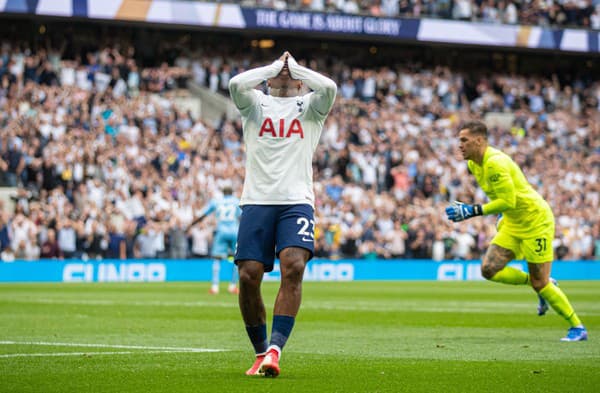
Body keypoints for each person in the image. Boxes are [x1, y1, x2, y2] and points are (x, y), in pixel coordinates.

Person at [229, 51, 336, 377]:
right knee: (248, 276)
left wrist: (297, 68)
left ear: (302, 79)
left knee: (294, 265)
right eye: (280, 69)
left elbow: (329, 87)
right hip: (257, 201)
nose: (284, 73)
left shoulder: (311, 108)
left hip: (296, 201)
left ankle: (275, 351)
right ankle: (260, 352)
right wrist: (274, 67)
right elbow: (235, 83)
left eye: (290, 71)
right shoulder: (255, 104)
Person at [445, 121, 587, 342]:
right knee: (489, 269)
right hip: (513, 222)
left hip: (535, 221)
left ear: (479, 140)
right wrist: (502, 217)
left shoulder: (495, 163)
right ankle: (541, 283)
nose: (459, 145)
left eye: (464, 140)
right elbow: (506, 195)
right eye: (459, 140)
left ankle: (577, 327)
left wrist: (471, 210)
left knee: (542, 283)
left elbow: (509, 200)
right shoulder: (475, 164)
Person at [189, 186, 241, 295]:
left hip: (221, 232)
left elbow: (204, 214)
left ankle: (215, 287)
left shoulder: (216, 202)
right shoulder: (236, 201)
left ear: (223, 193)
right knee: (235, 259)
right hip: (234, 232)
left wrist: (192, 224)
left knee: (217, 259)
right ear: (232, 192)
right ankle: (232, 286)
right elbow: (242, 216)